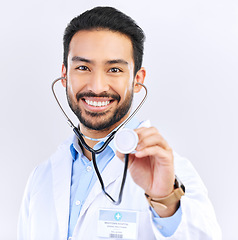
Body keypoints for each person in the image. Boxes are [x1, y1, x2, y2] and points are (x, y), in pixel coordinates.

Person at [18, 6, 222, 240]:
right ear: (65, 75)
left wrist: (165, 201)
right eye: (83, 67)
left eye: (114, 69)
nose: (97, 86)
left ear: (137, 79)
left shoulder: (173, 175)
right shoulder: (41, 178)